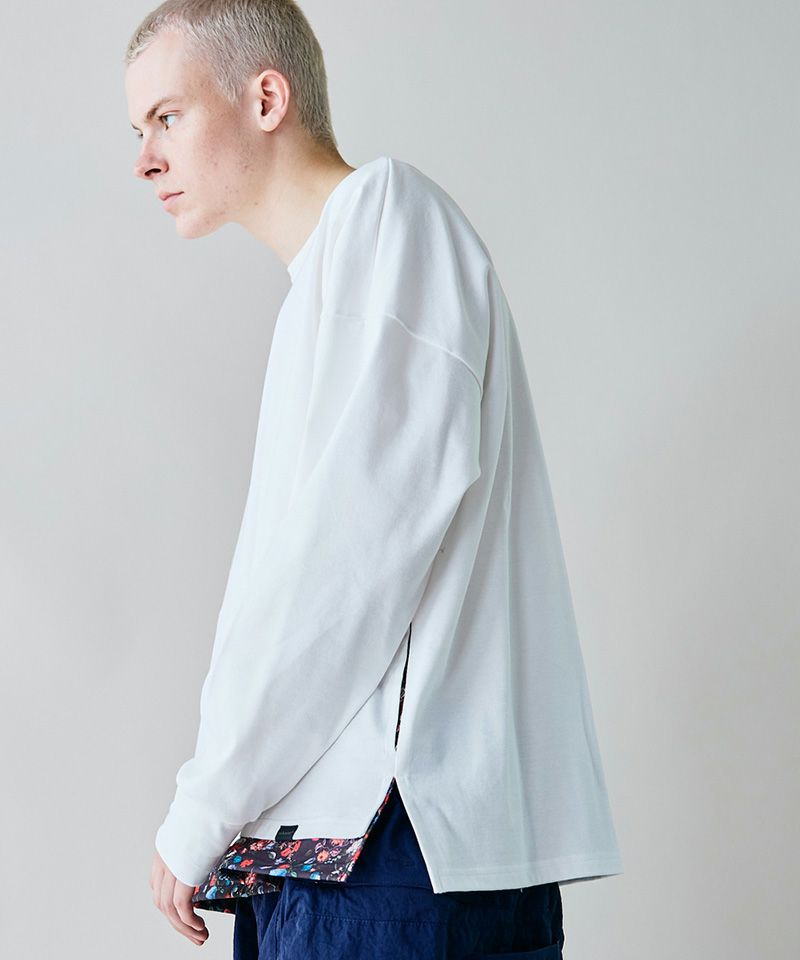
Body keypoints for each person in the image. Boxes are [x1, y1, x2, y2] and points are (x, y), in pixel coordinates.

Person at [124, 1, 624, 956]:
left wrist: (203, 803)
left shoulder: (388, 219)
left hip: (388, 851)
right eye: (138, 130)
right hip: (331, 853)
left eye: (166, 117)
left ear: (265, 98)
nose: (145, 158)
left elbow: (350, 558)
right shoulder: (326, 283)